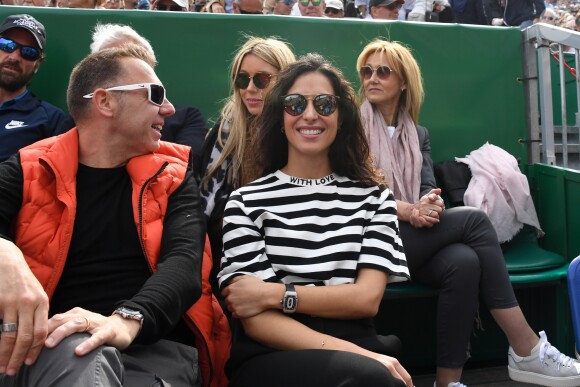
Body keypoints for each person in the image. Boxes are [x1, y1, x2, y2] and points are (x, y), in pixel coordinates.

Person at [0, 45, 229, 387]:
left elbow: (183, 267)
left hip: (148, 352)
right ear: (105, 101)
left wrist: (125, 320)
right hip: (39, 351)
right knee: (75, 348)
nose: (168, 109)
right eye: (156, 95)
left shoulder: (175, 178)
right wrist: (5, 255)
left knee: (81, 350)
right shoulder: (26, 169)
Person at [356, 39, 580, 387]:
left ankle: (448, 382)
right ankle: (526, 347)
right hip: (367, 241)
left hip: (408, 240)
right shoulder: (350, 129)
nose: (372, 78)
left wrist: (431, 203)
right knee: (474, 219)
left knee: (464, 262)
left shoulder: (418, 133)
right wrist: (408, 210)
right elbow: (355, 193)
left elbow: (426, 188)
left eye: (383, 71)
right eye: (366, 71)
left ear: (403, 81)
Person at [216, 52, 412, 387]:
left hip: (362, 349)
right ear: (280, 115)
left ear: (341, 117)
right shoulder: (245, 202)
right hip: (273, 355)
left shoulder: (374, 197)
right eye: (294, 104)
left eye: (324, 104)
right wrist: (362, 357)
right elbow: (257, 321)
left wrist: (274, 294)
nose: (309, 114)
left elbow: (366, 299)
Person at [200, 36, 295, 299]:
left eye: (262, 79)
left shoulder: (303, 130)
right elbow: (204, 208)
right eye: (242, 79)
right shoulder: (226, 130)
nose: (249, 88)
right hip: (230, 252)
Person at [88, 23, 208, 171]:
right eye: (109, 65)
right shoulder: (79, 123)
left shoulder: (186, 117)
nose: (122, 67)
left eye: (132, 57)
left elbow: (185, 168)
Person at [0, 14, 69, 163]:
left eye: (28, 52)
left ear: (37, 65)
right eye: (6, 45)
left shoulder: (51, 119)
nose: (14, 57)